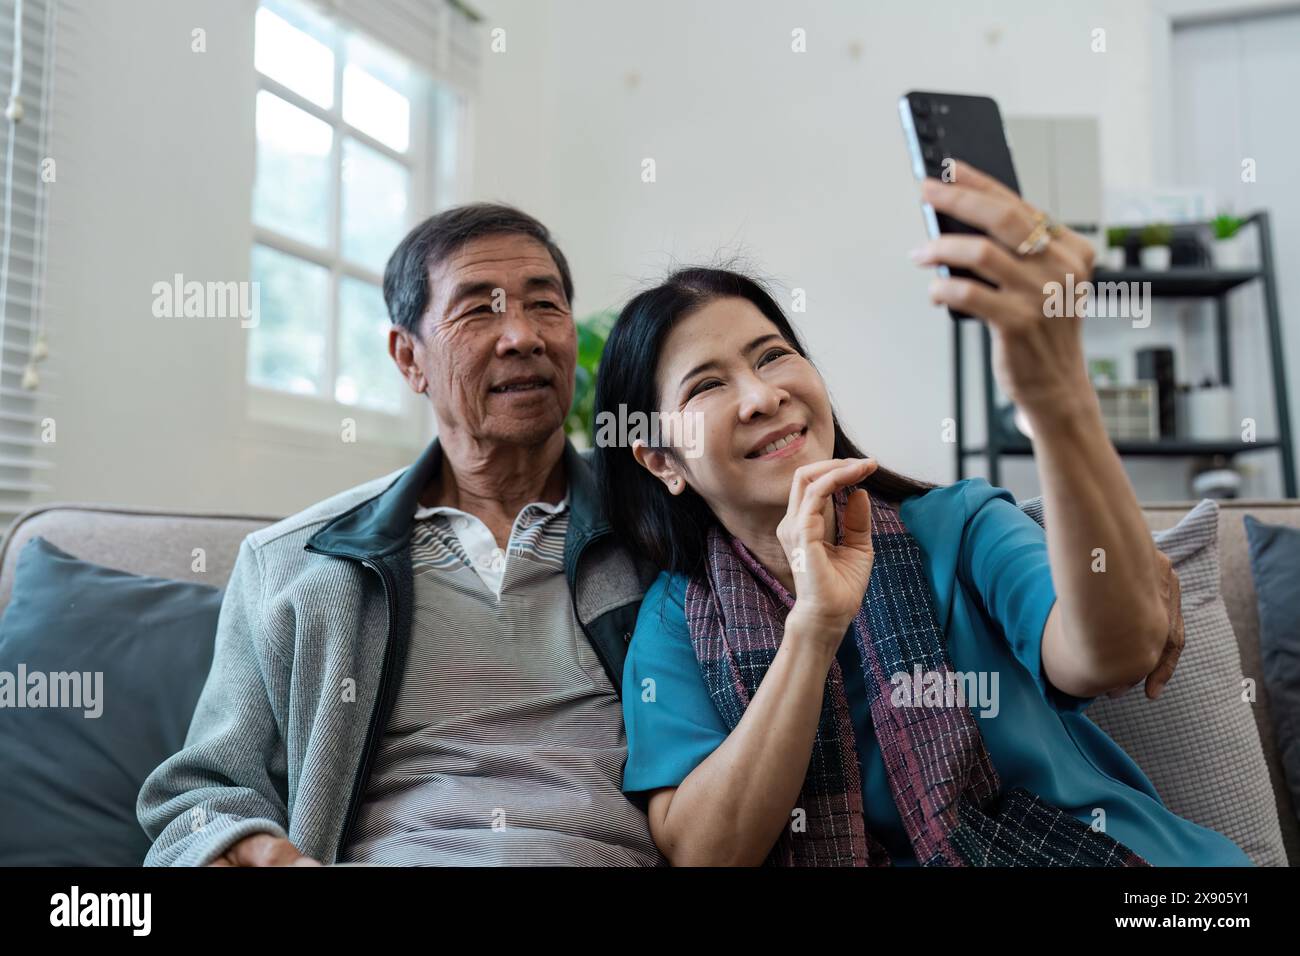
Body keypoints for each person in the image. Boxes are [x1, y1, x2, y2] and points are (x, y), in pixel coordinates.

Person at [593, 160, 1253, 867]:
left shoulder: (961, 525)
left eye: (774, 356)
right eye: (709, 385)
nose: (761, 396)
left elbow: (1111, 655)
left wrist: (1056, 398)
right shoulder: (672, 623)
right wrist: (812, 628)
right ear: (662, 460)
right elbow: (706, 852)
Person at [138, 204, 663, 866]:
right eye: (479, 310)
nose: (523, 336)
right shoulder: (295, 565)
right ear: (408, 357)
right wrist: (252, 848)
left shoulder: (659, 539)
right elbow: (202, 797)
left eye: (546, 306)